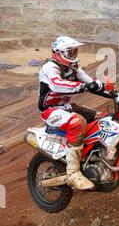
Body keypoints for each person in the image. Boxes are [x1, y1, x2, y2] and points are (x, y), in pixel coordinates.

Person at [39, 36, 108, 191]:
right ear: (58, 53)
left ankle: (94, 159)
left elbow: (90, 83)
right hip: (50, 110)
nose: (73, 55)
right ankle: (73, 173)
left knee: (100, 118)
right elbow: (57, 85)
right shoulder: (49, 68)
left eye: (74, 52)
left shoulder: (73, 67)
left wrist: (112, 92)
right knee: (77, 122)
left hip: (66, 106)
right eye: (70, 52)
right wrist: (84, 86)